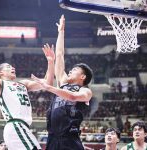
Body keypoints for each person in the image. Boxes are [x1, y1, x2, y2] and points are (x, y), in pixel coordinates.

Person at [0, 18, 55, 150]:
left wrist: (51, 61)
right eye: (8, 66)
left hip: (23, 128)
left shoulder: (23, 84)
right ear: (0, 72)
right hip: (15, 126)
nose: (12, 67)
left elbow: (48, 83)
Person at [31, 15, 93, 150]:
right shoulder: (63, 82)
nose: (70, 71)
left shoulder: (85, 91)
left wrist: (49, 87)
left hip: (70, 138)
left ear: (82, 77)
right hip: (52, 137)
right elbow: (59, 54)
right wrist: (61, 32)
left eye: (75, 69)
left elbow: (72, 97)